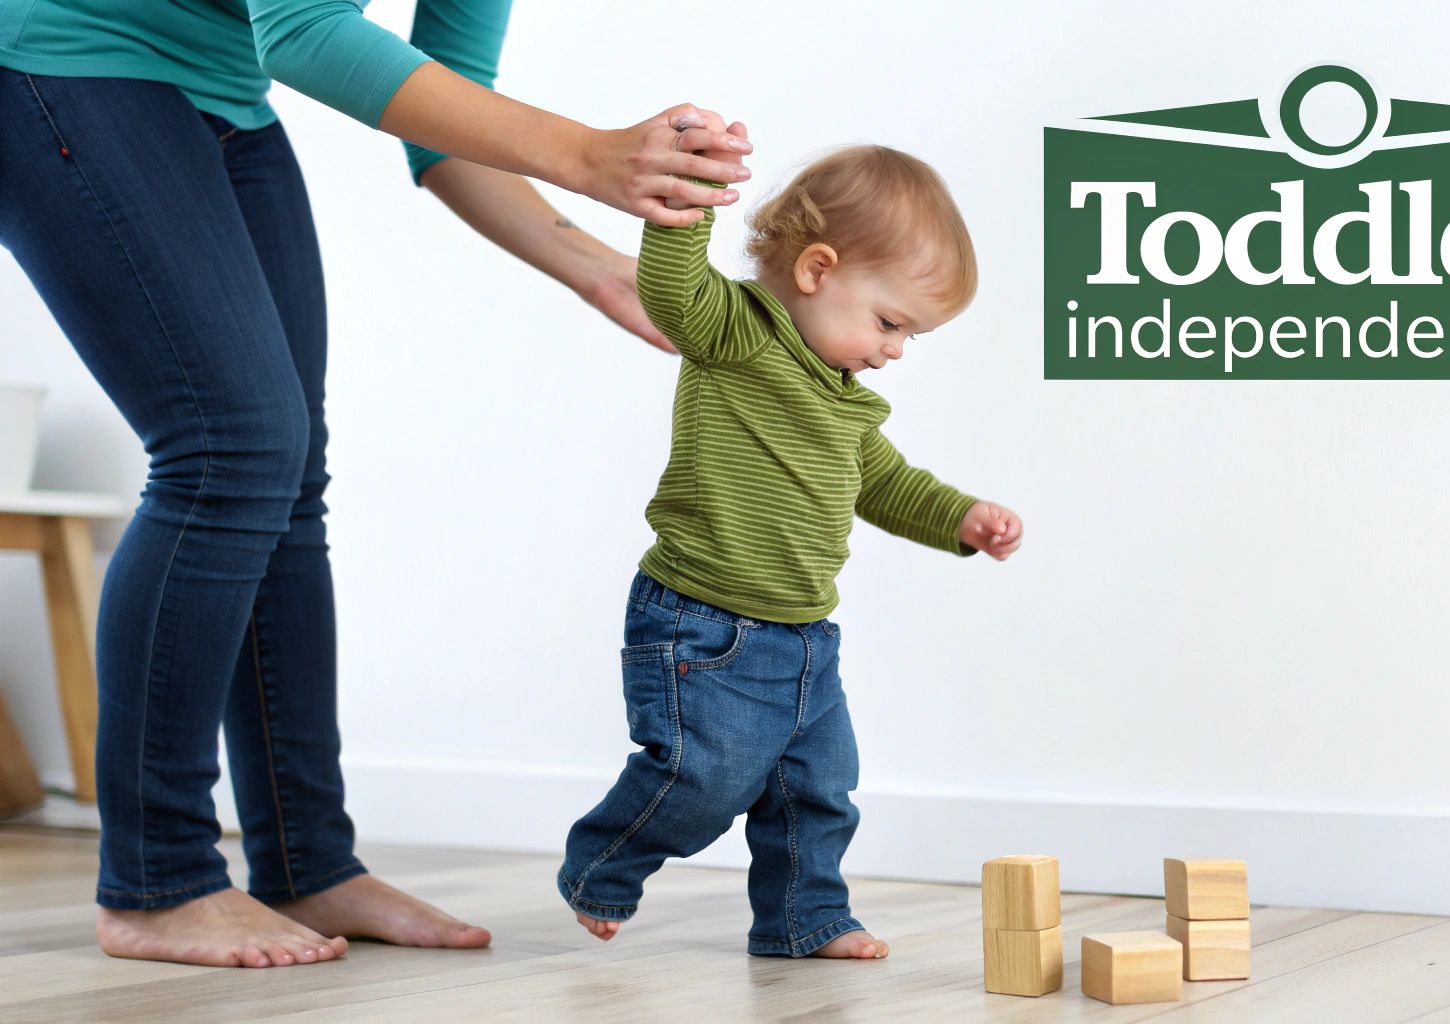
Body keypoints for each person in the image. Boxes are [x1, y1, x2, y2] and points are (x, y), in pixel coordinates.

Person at [0, 0, 750, 969]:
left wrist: (604, 274)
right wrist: (591, 155)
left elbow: (447, 127)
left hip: (223, 90)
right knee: (227, 448)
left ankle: (308, 859)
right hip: (64, 57)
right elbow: (305, 30)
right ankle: (158, 877)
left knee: (283, 472)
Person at [558, 145, 1024, 959]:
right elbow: (671, 288)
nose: (894, 351)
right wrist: (688, 203)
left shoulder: (842, 400)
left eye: (910, 335)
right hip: (705, 624)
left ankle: (804, 918)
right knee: (703, 778)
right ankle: (603, 863)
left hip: (805, 636)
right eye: (889, 322)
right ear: (816, 268)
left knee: (817, 792)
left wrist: (961, 519)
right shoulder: (739, 335)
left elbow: (885, 485)